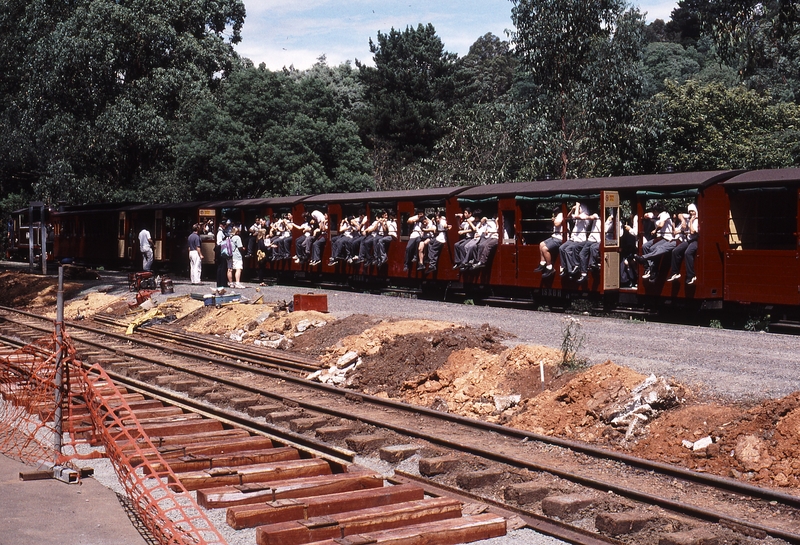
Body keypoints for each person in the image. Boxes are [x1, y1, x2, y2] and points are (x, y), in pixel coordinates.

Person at [633, 201, 676, 282]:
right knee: (645, 246)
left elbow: (661, 224)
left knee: (653, 248)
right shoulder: (655, 215)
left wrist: (655, 230)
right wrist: (646, 215)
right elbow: (646, 215)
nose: (653, 212)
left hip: (666, 237)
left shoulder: (664, 214)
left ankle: (654, 269)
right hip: (659, 237)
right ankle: (648, 267)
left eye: (654, 210)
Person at [668, 203, 699, 285]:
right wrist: (683, 220)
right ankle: (675, 272)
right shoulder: (689, 216)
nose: (691, 213)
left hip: (695, 240)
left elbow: (692, 232)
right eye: (690, 211)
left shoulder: (697, 220)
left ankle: (691, 275)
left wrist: (691, 221)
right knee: (675, 251)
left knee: (687, 253)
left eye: (693, 211)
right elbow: (679, 214)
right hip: (688, 240)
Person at [559, 202, 590, 279]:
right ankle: (564, 267)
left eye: (579, 208)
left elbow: (576, 216)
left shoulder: (584, 215)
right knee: (561, 248)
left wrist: (578, 205)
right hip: (573, 238)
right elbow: (568, 217)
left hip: (580, 239)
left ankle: (570, 270)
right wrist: (572, 209)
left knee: (568, 250)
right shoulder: (577, 214)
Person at [535, 206, 564, 278]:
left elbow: (557, 224)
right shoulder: (557, 216)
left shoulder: (561, 215)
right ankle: (542, 262)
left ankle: (550, 267)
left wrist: (554, 220)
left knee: (545, 249)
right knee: (541, 244)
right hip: (554, 236)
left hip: (560, 238)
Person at [577, 212, 601, 282]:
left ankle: (587, 270)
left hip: (596, 241)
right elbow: (592, 217)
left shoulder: (600, 218)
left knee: (587, 251)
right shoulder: (597, 216)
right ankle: (581, 271)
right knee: (579, 250)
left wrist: (585, 217)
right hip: (591, 239)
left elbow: (592, 217)